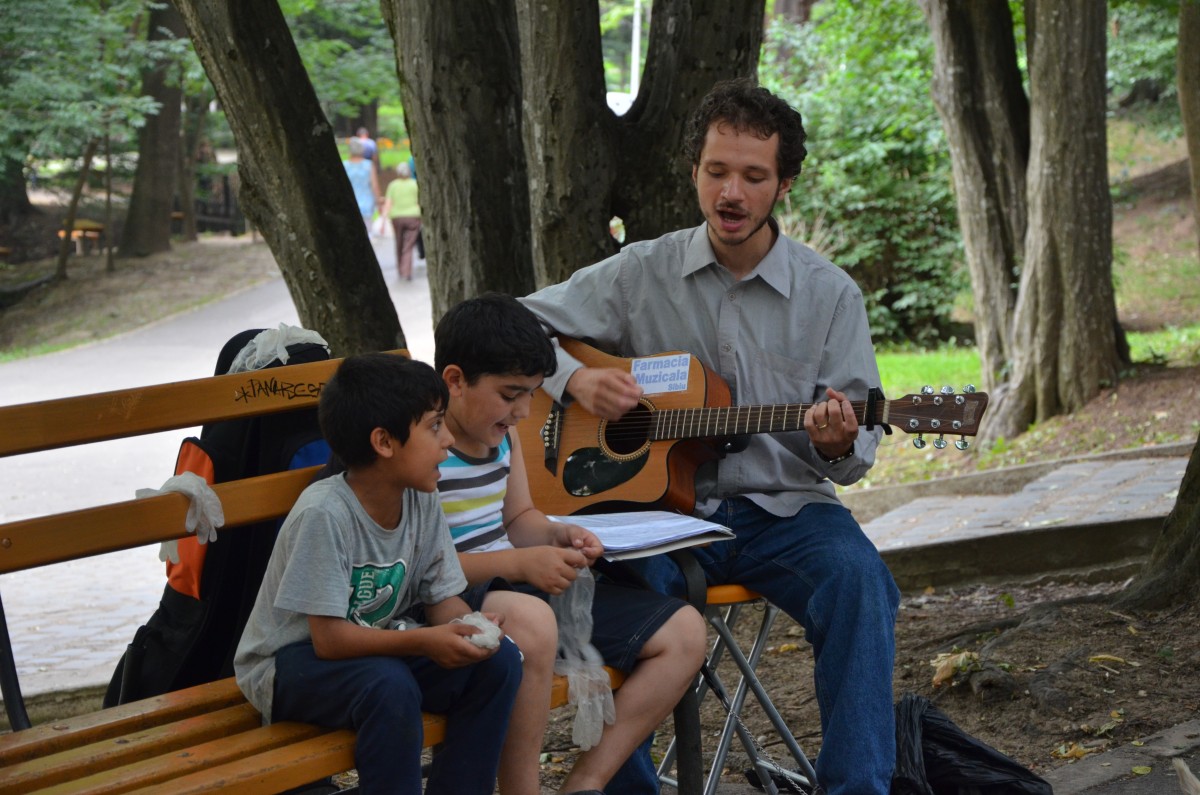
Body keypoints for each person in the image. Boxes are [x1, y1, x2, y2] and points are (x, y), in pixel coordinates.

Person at [519, 78, 901, 795]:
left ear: (784, 183)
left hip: (785, 510)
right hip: (653, 517)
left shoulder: (829, 295)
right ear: (693, 170)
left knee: (859, 582)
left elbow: (853, 462)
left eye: (753, 176)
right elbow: (513, 324)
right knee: (600, 598)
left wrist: (832, 443)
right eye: (716, 171)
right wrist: (573, 380)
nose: (731, 192)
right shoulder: (639, 272)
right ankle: (620, 787)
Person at [434, 293, 708, 795]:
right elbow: (424, 568)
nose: (521, 411)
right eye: (510, 394)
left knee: (685, 633)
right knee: (534, 621)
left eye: (531, 395)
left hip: (521, 583)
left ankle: (586, 783)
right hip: (458, 597)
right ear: (454, 380)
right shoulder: (425, 451)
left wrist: (558, 535)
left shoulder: (501, 435)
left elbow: (519, 517)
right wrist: (521, 562)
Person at [233, 354, 524, 795]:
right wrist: (426, 641)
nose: (447, 440)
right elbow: (329, 641)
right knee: (388, 685)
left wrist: (469, 630)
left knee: (498, 664)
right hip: (290, 665)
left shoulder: (421, 496)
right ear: (384, 442)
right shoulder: (324, 513)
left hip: (374, 652)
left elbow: (441, 597)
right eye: (433, 426)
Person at [381, 162, 422, 281]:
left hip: (396, 217)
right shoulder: (415, 184)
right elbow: (420, 202)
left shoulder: (393, 185)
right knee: (408, 245)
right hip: (413, 217)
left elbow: (388, 203)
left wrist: (383, 220)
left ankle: (401, 269)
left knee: (399, 243)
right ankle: (406, 271)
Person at [343, 137, 380, 232]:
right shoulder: (369, 165)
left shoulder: (344, 165)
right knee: (367, 232)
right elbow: (374, 185)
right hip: (367, 203)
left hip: (349, 204)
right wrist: (379, 203)